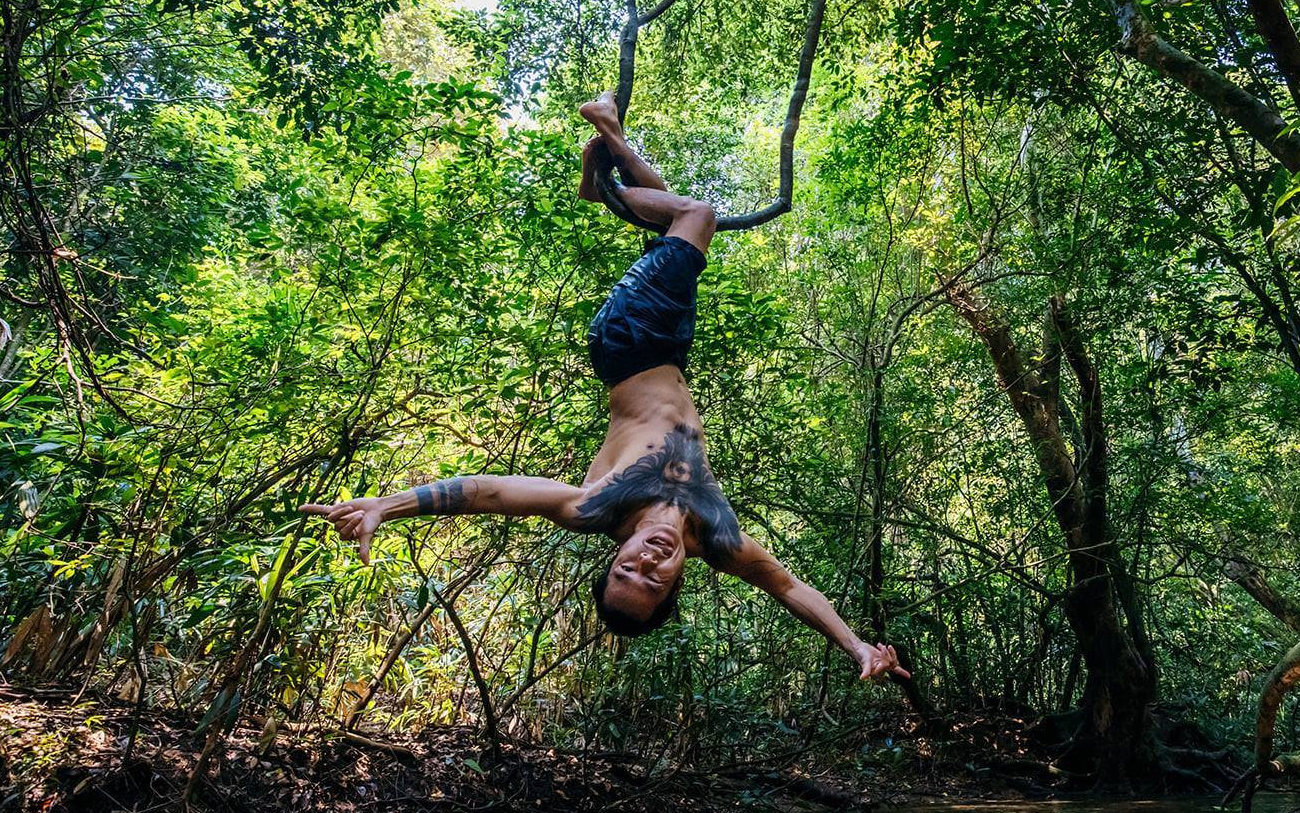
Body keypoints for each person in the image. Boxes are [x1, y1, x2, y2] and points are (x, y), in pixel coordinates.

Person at [303, 95, 909, 682]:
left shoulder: (598, 505)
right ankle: (604, 175)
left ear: (614, 554)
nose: (647, 562)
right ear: (675, 585)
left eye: (627, 569)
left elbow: (486, 492)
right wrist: (856, 645)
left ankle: (609, 147)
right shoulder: (716, 536)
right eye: (653, 580)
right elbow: (789, 587)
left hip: (626, 344)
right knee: (683, 220)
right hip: (669, 351)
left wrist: (387, 505)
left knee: (695, 216)